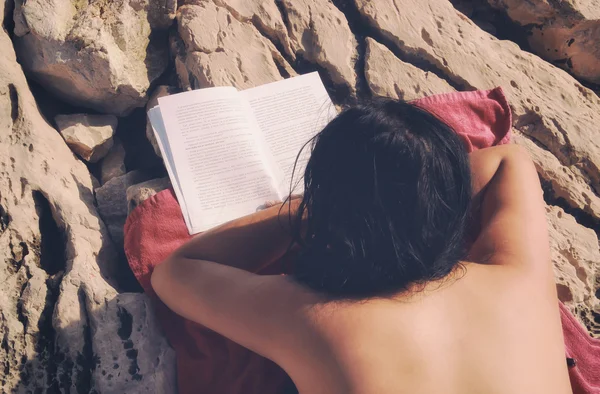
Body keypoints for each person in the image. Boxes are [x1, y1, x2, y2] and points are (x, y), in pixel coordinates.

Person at [151, 99, 572, 394]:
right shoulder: (518, 278)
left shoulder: (316, 318)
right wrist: (420, 187)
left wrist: (317, 208)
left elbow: (176, 271)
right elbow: (508, 160)